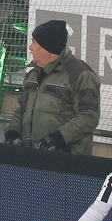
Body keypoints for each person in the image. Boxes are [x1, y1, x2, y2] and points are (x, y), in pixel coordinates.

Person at [3, 19, 100, 155]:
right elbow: (22, 109)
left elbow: (89, 117)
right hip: (30, 156)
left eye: (34, 43)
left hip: (66, 162)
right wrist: (13, 131)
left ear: (47, 47)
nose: (30, 47)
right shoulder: (33, 74)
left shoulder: (80, 75)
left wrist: (58, 137)